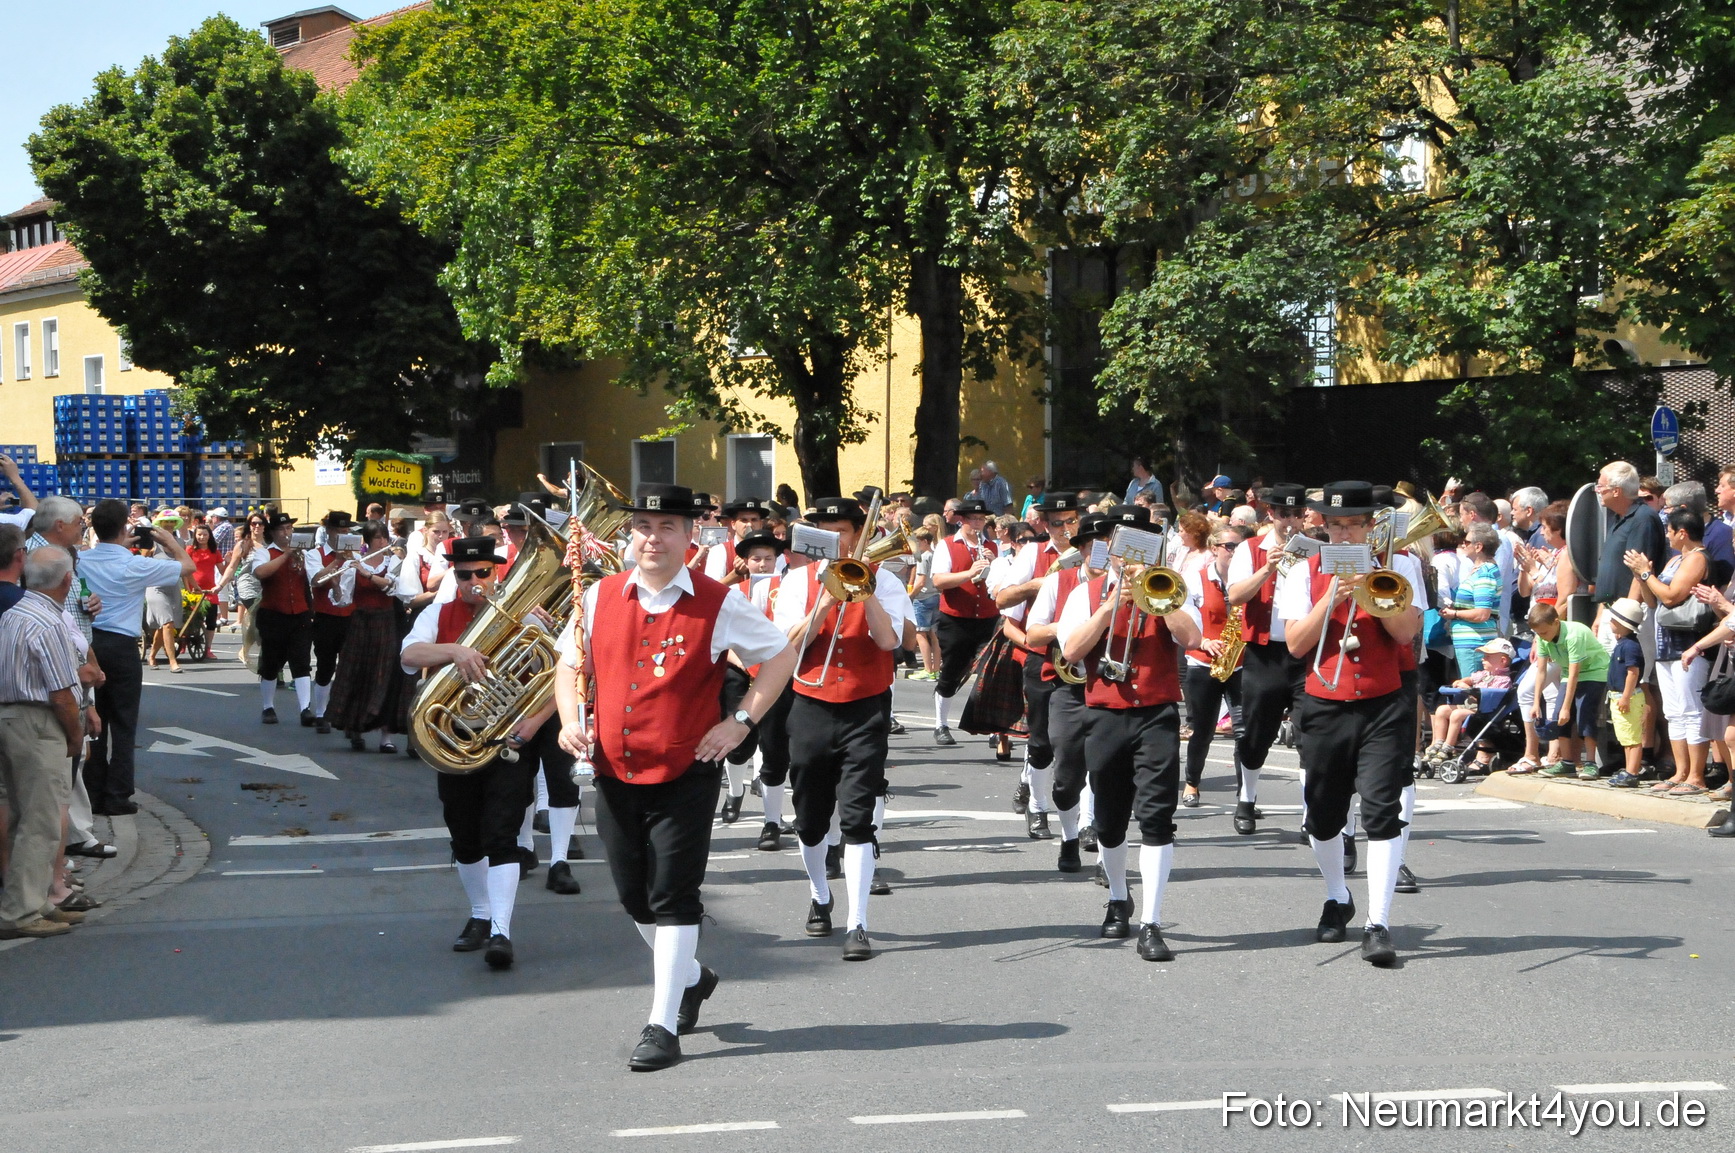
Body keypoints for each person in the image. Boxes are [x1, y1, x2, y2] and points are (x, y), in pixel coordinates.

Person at [553, 486, 795, 1071]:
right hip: (613, 769)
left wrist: (740, 723)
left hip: (686, 771)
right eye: (642, 525)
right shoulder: (599, 595)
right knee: (634, 896)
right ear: (628, 535)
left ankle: (662, 1024)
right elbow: (568, 664)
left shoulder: (719, 602)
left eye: (666, 527)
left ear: (691, 537)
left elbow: (781, 657)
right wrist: (567, 721)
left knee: (672, 895)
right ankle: (691, 977)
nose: (652, 538)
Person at [1279, 481, 1423, 968]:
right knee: (1323, 815)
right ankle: (1338, 896)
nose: (1344, 533)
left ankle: (1378, 924)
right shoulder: (1304, 571)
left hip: (1384, 704)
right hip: (1324, 702)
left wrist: (1369, 588)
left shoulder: (1399, 567)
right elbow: (1296, 645)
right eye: (1336, 524)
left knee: (1382, 810)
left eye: (1354, 524)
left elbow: (1406, 632)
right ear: (1324, 526)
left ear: (1369, 526)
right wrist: (1331, 599)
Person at [1057, 504, 1204, 961]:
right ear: (1110, 550)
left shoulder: (1171, 587)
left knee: (1157, 817)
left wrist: (1160, 598)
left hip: (1157, 713)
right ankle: (1119, 897)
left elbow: (1193, 638)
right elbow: (1070, 652)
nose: (1129, 556)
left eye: (1140, 546)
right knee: (1109, 818)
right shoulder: (1087, 591)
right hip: (1104, 714)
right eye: (1123, 548)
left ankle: (1152, 922)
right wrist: (1107, 609)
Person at [403, 537, 553, 970]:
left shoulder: (528, 615)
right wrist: (455, 651)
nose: (473, 582)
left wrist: (536, 722)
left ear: (496, 572)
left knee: (502, 833)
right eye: (464, 574)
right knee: (464, 836)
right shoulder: (439, 612)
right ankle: (480, 915)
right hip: (456, 740)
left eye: (482, 573)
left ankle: (502, 930)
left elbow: (562, 673)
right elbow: (409, 654)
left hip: (508, 739)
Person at [771, 496, 911, 961]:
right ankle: (819, 894)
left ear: (859, 535)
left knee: (857, 817)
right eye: (826, 532)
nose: (835, 541)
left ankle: (858, 923)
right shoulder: (795, 582)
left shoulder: (885, 580)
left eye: (842, 532)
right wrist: (827, 599)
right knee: (811, 819)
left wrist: (864, 591)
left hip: (866, 706)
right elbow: (788, 647)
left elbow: (890, 641)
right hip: (810, 702)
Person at [78, 500, 193, 816]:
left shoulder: (81, 560)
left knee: (93, 722)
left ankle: (93, 791)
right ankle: (117, 796)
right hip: (122, 646)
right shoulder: (135, 564)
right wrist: (168, 541)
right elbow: (187, 567)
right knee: (124, 725)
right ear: (124, 528)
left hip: (89, 643)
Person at [0, 547, 87, 941]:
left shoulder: (14, 614)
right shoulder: (48, 622)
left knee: (22, 815)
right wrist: (74, 733)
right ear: (66, 581)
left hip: (10, 717)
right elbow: (61, 693)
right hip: (37, 721)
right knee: (42, 819)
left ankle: (33, 902)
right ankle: (21, 910)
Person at [991, 493, 1082, 836]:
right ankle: (1037, 806)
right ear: (1044, 524)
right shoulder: (1033, 553)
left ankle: (1084, 820)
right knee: (1041, 739)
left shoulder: (1091, 554)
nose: (1064, 529)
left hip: (1084, 657)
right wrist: (1036, 585)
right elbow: (1003, 603)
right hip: (1044, 655)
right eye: (1057, 523)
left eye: (1071, 521)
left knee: (1080, 741)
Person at [1224, 482, 1310, 835]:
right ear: (1270, 514)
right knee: (1257, 731)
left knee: (1310, 734)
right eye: (1282, 513)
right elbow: (1234, 596)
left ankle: (1312, 813)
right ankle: (1247, 797)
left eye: (1296, 514)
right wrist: (1267, 569)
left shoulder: (1316, 549)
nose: (1290, 521)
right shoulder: (1250, 549)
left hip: (1304, 651)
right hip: (1265, 651)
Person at [1627, 509, 1714, 794]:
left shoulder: (1697, 558)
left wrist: (1645, 572)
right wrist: (1642, 578)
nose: (1667, 535)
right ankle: (1680, 772)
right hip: (1665, 645)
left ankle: (1697, 776)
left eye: (1670, 530)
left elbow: (1672, 596)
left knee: (1692, 711)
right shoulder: (1676, 559)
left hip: (1688, 645)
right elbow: (1654, 602)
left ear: (1682, 533)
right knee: (1674, 712)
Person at [1179, 526, 1246, 809]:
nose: (1234, 552)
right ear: (1214, 547)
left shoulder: (1246, 580)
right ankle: (1192, 782)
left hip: (1240, 665)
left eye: (1239, 547)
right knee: (1203, 731)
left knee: (1244, 731)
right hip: (1203, 663)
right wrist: (1204, 641)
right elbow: (1186, 617)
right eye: (1229, 546)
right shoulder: (1196, 578)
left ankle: (1246, 794)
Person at [325, 520, 405, 754]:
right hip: (361, 622)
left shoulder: (394, 561)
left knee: (385, 675)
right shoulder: (353, 563)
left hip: (386, 622)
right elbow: (344, 599)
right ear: (368, 542)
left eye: (385, 537)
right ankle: (355, 730)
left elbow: (391, 587)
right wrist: (336, 583)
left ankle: (386, 737)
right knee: (357, 673)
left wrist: (366, 574)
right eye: (378, 538)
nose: (383, 542)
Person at [928, 497, 998, 745]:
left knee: (991, 672)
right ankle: (941, 724)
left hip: (989, 618)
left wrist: (995, 564)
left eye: (981, 519)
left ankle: (992, 727)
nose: (978, 524)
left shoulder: (993, 546)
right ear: (962, 520)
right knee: (952, 672)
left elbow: (1002, 584)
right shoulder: (947, 545)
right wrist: (969, 573)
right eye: (973, 519)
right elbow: (938, 581)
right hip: (955, 619)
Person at [251, 513, 317, 725]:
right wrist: (286, 555)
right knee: (271, 664)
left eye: (290, 528)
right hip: (273, 615)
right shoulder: (264, 553)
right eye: (283, 529)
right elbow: (260, 573)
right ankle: (267, 707)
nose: (288, 533)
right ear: (273, 533)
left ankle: (305, 708)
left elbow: (315, 579)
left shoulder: (304, 554)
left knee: (302, 662)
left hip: (300, 614)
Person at [308, 512, 360, 731]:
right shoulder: (315, 554)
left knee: (351, 668)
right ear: (328, 531)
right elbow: (315, 580)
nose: (344, 535)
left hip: (351, 617)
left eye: (347, 531)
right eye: (340, 531)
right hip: (325, 617)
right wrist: (338, 560)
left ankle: (348, 714)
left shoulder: (357, 556)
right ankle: (321, 713)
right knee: (325, 666)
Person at [1424, 639, 1514, 763]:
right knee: (1442, 710)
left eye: (1487, 657)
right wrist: (1461, 682)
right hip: (1469, 706)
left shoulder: (1503, 680)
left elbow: (1491, 695)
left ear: (1502, 660)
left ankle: (1449, 746)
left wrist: (1471, 689)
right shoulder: (1483, 674)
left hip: (1484, 710)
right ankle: (1439, 742)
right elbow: (1469, 679)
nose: (1483, 659)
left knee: (1456, 714)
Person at [1443, 524, 1502, 676]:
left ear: (1478, 546)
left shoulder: (1485, 573)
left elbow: (1482, 614)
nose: (1463, 544)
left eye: (1467, 542)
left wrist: (1454, 614)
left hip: (1474, 644)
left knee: (1471, 692)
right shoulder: (1480, 570)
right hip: (1470, 642)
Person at [1602, 598, 1649, 788]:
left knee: (1632, 738)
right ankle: (1629, 769)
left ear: (1623, 623)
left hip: (1626, 697)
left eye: (1613, 620)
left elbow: (1633, 672)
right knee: (1626, 738)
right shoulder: (1622, 643)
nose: (1610, 623)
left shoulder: (1630, 646)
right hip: (1618, 697)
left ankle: (1632, 772)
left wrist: (1626, 696)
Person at [906, 527, 941, 680]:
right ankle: (936, 668)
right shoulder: (934, 555)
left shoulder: (923, 557)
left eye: (917, 542)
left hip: (923, 598)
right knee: (934, 635)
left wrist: (910, 596)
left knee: (920, 634)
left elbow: (920, 582)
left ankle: (928, 669)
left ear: (925, 541)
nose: (915, 545)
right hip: (935, 596)